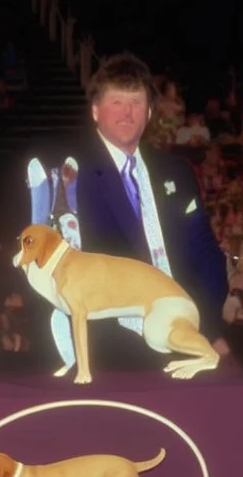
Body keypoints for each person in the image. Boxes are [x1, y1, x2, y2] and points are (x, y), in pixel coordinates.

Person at [29, 53, 229, 373]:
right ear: (95, 110)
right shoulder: (68, 176)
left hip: (185, 333)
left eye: (136, 102)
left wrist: (204, 326)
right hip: (112, 351)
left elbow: (207, 253)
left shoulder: (176, 171)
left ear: (149, 112)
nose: (127, 112)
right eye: (116, 101)